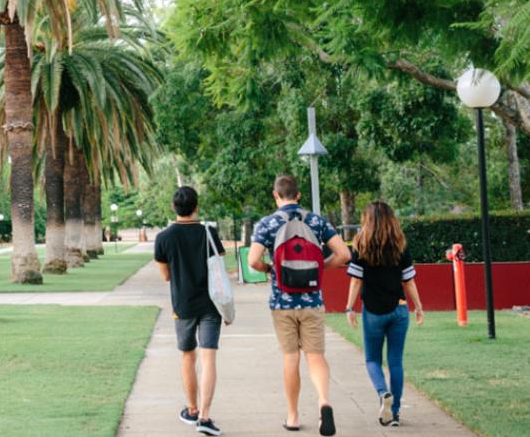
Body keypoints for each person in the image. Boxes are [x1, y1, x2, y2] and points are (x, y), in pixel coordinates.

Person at [248, 174, 350, 436]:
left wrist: (271, 269)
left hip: (282, 302)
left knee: (290, 357)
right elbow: (345, 255)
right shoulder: (316, 221)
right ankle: (324, 402)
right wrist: (321, 267)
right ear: (298, 195)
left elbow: (252, 261)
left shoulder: (267, 224)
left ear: (275, 195)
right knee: (315, 356)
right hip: (312, 300)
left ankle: (292, 416)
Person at [154, 185, 227, 436]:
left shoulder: (164, 237)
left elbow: (165, 275)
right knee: (209, 358)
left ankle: (192, 409)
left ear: (174, 208)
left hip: (182, 305)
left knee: (188, 355)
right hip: (211, 305)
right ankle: (205, 418)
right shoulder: (209, 233)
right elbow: (219, 267)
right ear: (197, 206)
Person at [344, 201, 424, 428]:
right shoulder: (400, 244)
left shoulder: (360, 244)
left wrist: (349, 308)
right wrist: (418, 306)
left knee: (372, 359)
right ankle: (395, 414)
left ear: (367, 220)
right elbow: (408, 281)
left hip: (373, 311)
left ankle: (383, 393)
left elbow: (356, 280)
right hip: (399, 308)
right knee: (396, 361)